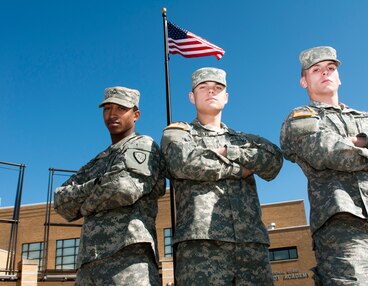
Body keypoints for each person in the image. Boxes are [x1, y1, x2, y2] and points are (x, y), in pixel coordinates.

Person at [280, 46, 368, 285]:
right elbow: (327, 151)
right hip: (343, 229)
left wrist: (364, 139)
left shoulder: (367, 119)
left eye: (330, 68)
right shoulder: (301, 118)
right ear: (304, 81)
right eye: (316, 70)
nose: (325, 73)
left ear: (339, 77)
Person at [161, 67, 283, 285]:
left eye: (217, 88)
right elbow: (182, 162)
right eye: (203, 87)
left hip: (251, 246)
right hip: (201, 247)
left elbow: (273, 161)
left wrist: (229, 151)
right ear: (192, 96)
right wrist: (239, 169)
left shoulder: (245, 139)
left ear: (226, 97)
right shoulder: (178, 133)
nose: (211, 92)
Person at [54, 86, 165, 286]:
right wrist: (99, 183)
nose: (112, 114)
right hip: (89, 263)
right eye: (107, 109)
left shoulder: (143, 145)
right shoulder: (98, 160)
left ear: (136, 115)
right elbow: (61, 202)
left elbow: (124, 188)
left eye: (121, 108)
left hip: (127, 259)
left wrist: (84, 206)